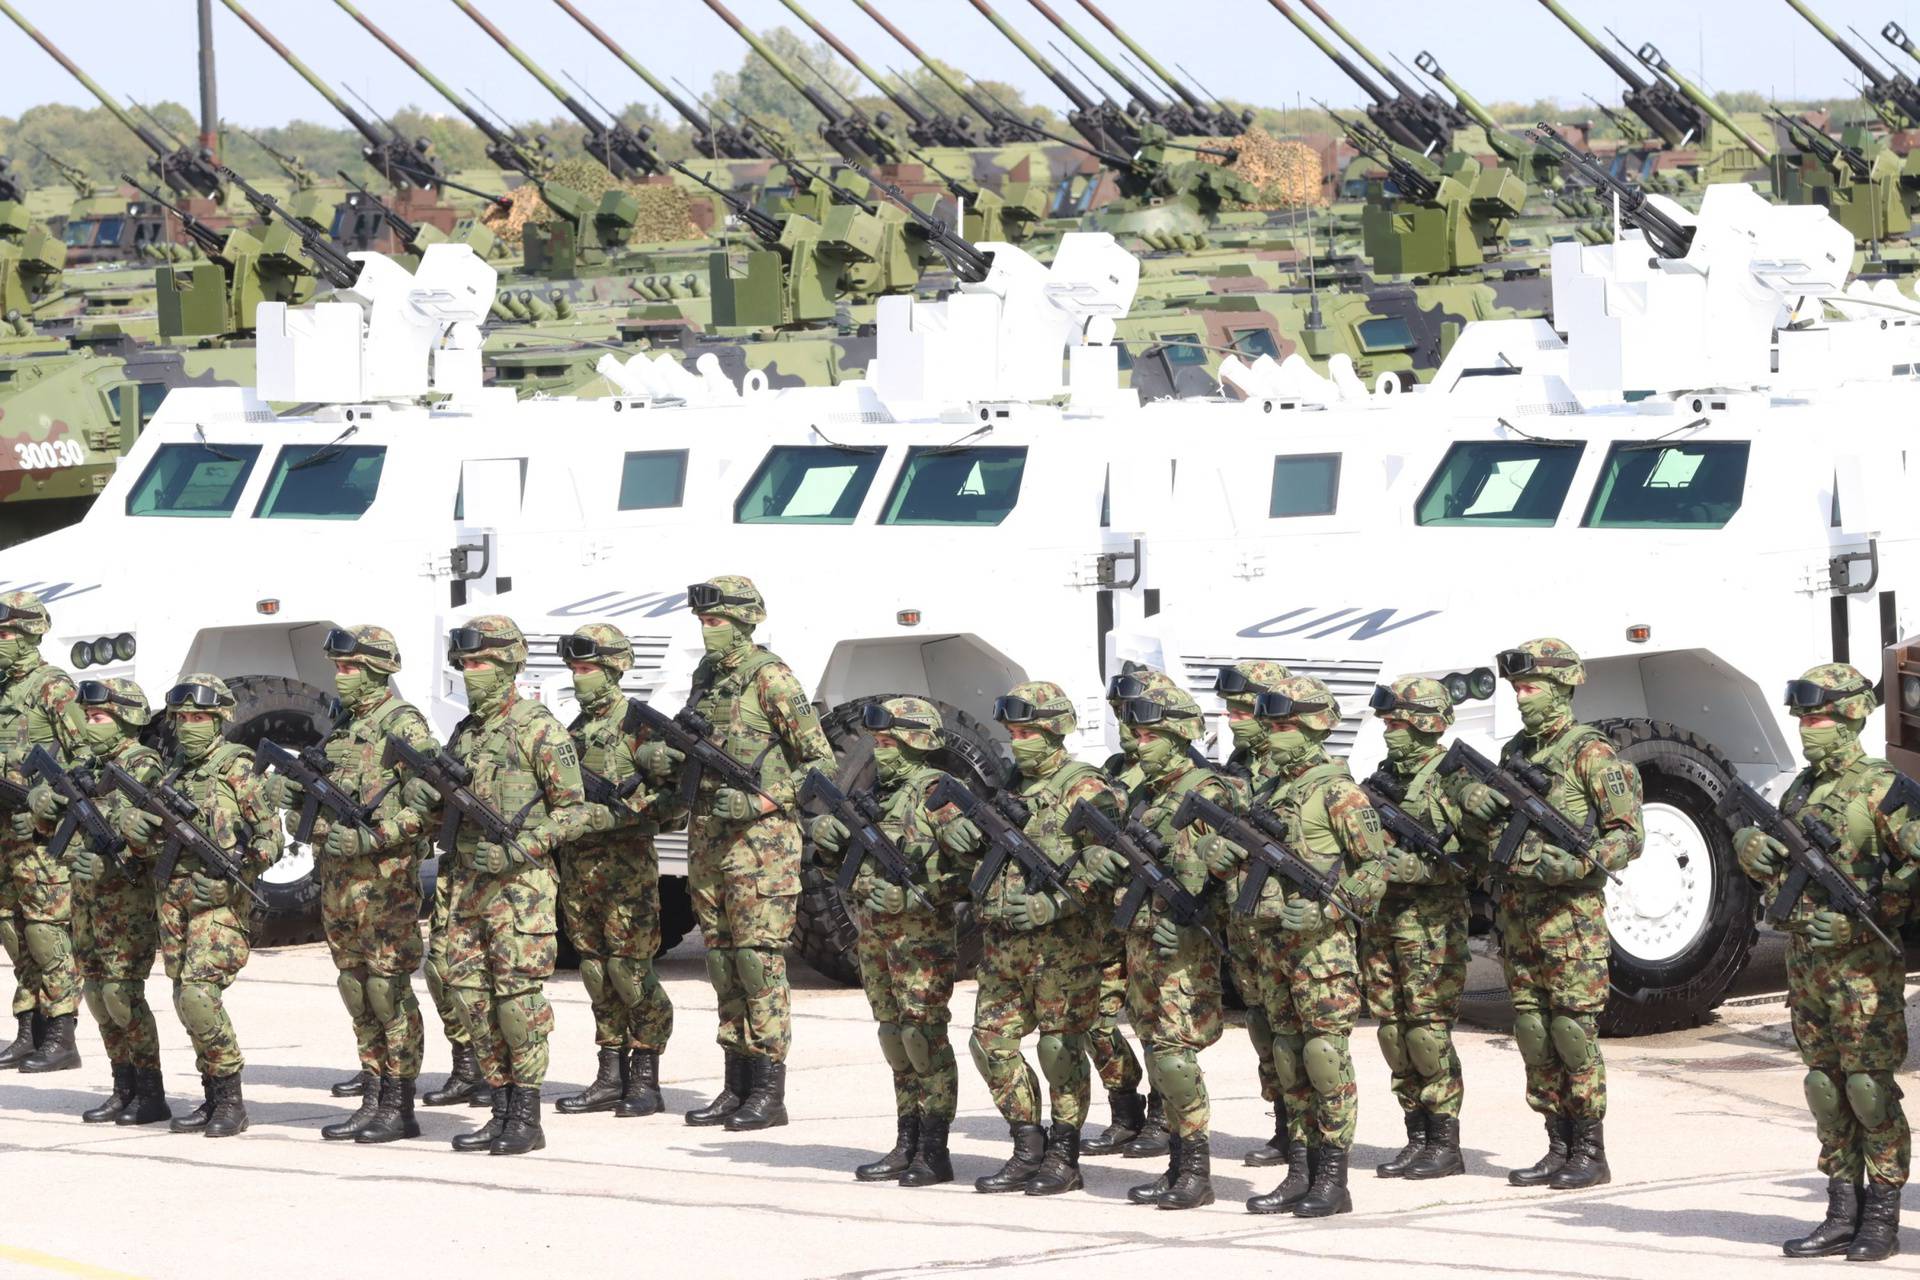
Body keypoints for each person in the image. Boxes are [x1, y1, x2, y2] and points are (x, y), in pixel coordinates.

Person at [642, 577, 834, 1132]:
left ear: (746, 621)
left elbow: (817, 762)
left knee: (758, 962)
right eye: (703, 622)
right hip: (709, 842)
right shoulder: (708, 679)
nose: (709, 630)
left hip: (761, 848)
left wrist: (760, 798)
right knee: (722, 961)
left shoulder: (771, 679)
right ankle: (736, 1083)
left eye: (718, 621)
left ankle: (769, 1092)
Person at [1734, 664, 1911, 1262]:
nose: (1808, 729)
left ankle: (1882, 1213)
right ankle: (1842, 1208)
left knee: (1867, 1088)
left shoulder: (1886, 789)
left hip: (1863, 970)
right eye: (1803, 718)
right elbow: (1784, 873)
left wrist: (1873, 914)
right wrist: (1752, 852)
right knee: (1824, 1088)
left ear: (1854, 714)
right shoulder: (1800, 790)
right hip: (1808, 969)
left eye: (1818, 717)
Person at [1457, 638, 1642, 1191]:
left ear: (1563, 687)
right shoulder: (1517, 752)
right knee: (1534, 1030)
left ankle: (1589, 1150)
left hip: (1569, 920)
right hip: (1518, 916)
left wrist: (1576, 862)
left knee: (1570, 1030)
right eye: (1518, 688)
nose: (1522, 697)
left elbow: (1628, 836)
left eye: (1531, 687)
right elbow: (1485, 830)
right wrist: (1473, 799)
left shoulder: (1591, 754)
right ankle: (1556, 1143)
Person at [938, 681, 1118, 1195]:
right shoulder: (1008, 789)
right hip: (1003, 944)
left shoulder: (1086, 789)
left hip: (1062, 946)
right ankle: (1026, 1144)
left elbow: (1110, 863)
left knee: (1060, 1048)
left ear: (1057, 730)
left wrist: (1056, 902)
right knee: (990, 1044)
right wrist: (961, 840)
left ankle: (1064, 1153)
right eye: (1013, 732)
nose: (1019, 741)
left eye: (1028, 732)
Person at [1222, 675, 1387, 1218]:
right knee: (1288, 1058)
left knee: (1322, 1057)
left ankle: (1333, 1180)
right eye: (1271, 723)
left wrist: (1329, 906)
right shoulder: (1269, 789)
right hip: (1273, 949)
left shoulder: (1338, 792)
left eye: (1286, 723)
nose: (1274, 732)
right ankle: (1300, 1170)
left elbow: (1374, 869)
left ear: (1316, 726)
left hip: (1321, 953)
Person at [265, 626, 438, 1144]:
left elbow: (429, 805)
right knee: (356, 988)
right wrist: (289, 793)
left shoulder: (404, 725)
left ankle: (400, 1103)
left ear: (380, 669)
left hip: (385, 885)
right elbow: (318, 794)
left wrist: (373, 838)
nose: (342, 678)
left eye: (352, 668)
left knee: (387, 989)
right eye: (338, 668)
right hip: (339, 884)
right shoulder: (342, 728)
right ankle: (373, 1093)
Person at [424, 617, 589, 1155]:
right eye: (467, 664)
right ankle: (498, 1104)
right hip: (467, 885)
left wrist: (519, 847)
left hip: (519, 890)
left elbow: (574, 811)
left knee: (517, 1000)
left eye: (483, 663)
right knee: (470, 995)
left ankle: (526, 1115)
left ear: (511, 664)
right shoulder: (467, 731)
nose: (473, 674)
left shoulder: (539, 728)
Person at [1088, 682, 1238, 1210]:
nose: (1137, 742)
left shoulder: (1213, 792)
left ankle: (1197, 1170)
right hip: (1142, 942)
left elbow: (1235, 878)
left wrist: (1202, 923)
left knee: (1175, 1056)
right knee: (1156, 1051)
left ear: (1177, 734)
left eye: (1149, 733)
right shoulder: (1144, 793)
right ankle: (1177, 1163)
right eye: (1133, 732)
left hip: (1184, 947)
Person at [807, 697, 964, 1186]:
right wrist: (832, 847)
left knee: (922, 1036)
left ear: (918, 743)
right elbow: (848, 869)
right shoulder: (876, 793)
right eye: (879, 740)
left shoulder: (938, 795)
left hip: (921, 938)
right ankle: (907, 1139)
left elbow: (967, 875)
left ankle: (934, 1150)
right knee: (893, 1036)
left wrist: (915, 894)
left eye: (892, 741)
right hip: (875, 935)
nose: (882, 749)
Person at [118, 674, 279, 1138]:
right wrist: (140, 831)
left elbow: (271, 839)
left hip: (219, 906)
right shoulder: (171, 773)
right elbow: (150, 849)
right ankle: (211, 1097)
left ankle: (231, 1100)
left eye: (199, 718)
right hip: (174, 903)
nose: (189, 726)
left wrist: (237, 874)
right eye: (183, 718)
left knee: (198, 995)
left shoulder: (237, 769)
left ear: (219, 719)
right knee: (184, 999)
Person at [27, 678, 168, 1123]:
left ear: (126, 719)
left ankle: (149, 1091)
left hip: (126, 898)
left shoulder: (144, 766)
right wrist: (44, 807)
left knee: (121, 993)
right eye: (88, 717)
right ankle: (121, 1086)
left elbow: (156, 836)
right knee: (95, 993)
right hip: (87, 899)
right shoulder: (86, 762)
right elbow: (60, 828)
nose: (90, 725)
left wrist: (115, 860)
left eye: (100, 717)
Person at [552, 624, 677, 1121]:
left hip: (626, 868)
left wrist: (620, 815)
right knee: (595, 970)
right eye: (575, 670)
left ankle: (645, 1076)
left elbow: (676, 802)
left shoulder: (643, 726)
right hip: (581, 869)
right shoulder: (575, 729)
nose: (578, 679)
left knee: (631, 970)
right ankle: (609, 1073)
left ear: (613, 669)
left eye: (586, 670)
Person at [1359, 678, 1470, 1179]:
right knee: (1392, 1032)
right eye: (1386, 723)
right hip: (1383, 923)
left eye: (1399, 722)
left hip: (1431, 927)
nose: (1390, 732)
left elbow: (1480, 858)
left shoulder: (1455, 778)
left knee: (1427, 1033)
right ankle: (1416, 1135)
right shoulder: (1384, 779)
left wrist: (1424, 870)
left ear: (1427, 723)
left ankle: (1445, 1140)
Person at [1209, 660, 1294, 1168]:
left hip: (1286, 922)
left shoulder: (1296, 769)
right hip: (1244, 921)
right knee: (1262, 1024)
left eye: (1243, 709)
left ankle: (1310, 1131)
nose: (1234, 718)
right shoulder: (1235, 769)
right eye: (1231, 709)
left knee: (1295, 1031)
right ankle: (1283, 1123)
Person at [0, 589, 85, 1074]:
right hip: (5, 835)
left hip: (42, 836)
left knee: (46, 931)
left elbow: (85, 760)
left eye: (7, 633)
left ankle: (61, 1034)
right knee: (14, 930)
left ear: (32, 634)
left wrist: (45, 799)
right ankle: (28, 1029)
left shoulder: (53, 687)